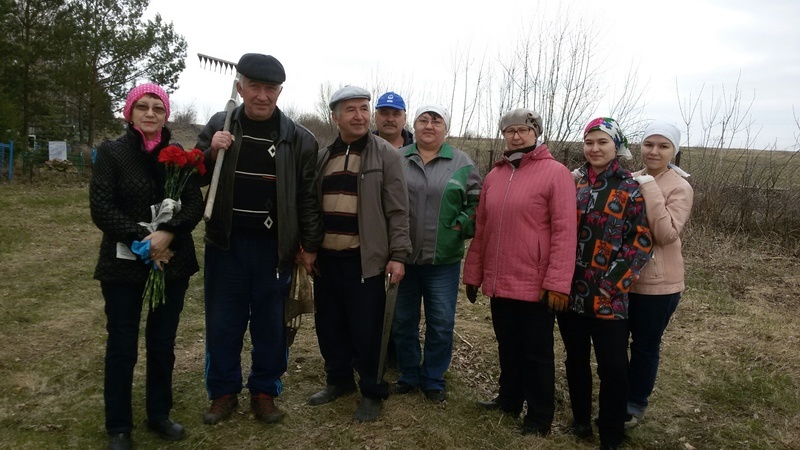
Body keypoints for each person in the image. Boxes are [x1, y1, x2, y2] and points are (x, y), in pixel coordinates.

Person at [196, 53, 322, 426]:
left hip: (275, 251)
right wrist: (209, 151)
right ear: (240, 87)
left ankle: (264, 392)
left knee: (271, 325)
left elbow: (308, 198)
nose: (262, 95)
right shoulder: (221, 124)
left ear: (280, 92)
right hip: (226, 246)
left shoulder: (299, 139)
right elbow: (194, 176)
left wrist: (310, 246)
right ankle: (223, 393)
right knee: (223, 322)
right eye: (255, 86)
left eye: (271, 89)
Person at [90, 83, 203, 450]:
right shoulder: (112, 153)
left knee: (162, 342)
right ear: (130, 112)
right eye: (143, 107)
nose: (151, 114)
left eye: (158, 107)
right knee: (122, 344)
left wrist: (168, 232)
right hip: (124, 263)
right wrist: (143, 239)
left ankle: (159, 414)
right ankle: (119, 426)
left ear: (166, 114)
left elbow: (193, 204)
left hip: (172, 263)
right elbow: (102, 206)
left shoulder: (180, 158)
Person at [463, 108, 577, 436]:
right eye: (509, 130)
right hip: (501, 280)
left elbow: (565, 232)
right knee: (507, 345)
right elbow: (483, 229)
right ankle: (509, 399)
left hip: (536, 283)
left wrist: (558, 283)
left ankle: (539, 416)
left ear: (535, 133)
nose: (516, 135)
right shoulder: (494, 176)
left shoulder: (556, 174)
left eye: (523, 130)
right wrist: (474, 273)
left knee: (537, 354)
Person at [309, 85, 411, 422]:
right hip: (326, 260)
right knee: (329, 326)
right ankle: (339, 381)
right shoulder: (324, 156)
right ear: (335, 117)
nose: (359, 115)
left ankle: (372, 390)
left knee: (367, 331)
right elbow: (311, 206)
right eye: (350, 110)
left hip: (364, 261)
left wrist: (398, 255)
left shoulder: (386, 155)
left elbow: (398, 210)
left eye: (364, 109)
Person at [558, 117, 653, 450]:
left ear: (616, 147)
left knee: (613, 367)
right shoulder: (574, 184)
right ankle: (581, 422)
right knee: (575, 359)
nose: (594, 149)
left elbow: (640, 241)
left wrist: (612, 284)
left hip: (609, 296)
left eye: (602, 142)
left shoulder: (630, 187)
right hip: (570, 292)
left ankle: (611, 433)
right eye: (589, 142)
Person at [392, 104, 482, 403]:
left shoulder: (462, 162)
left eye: (436, 121)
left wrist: (459, 226)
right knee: (403, 319)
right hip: (402, 256)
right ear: (413, 126)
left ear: (446, 128)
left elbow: (477, 204)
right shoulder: (397, 159)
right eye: (423, 120)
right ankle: (408, 373)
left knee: (441, 321)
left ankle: (432, 377)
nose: (429, 126)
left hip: (443, 259)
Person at [626, 121, 694, 428]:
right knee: (617, 344)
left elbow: (666, 234)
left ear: (674, 151)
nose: (654, 151)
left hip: (658, 285)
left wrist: (649, 187)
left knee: (644, 345)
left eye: (663, 146)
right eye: (649, 144)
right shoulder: (630, 178)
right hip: (624, 279)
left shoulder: (679, 187)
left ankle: (635, 403)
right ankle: (617, 395)